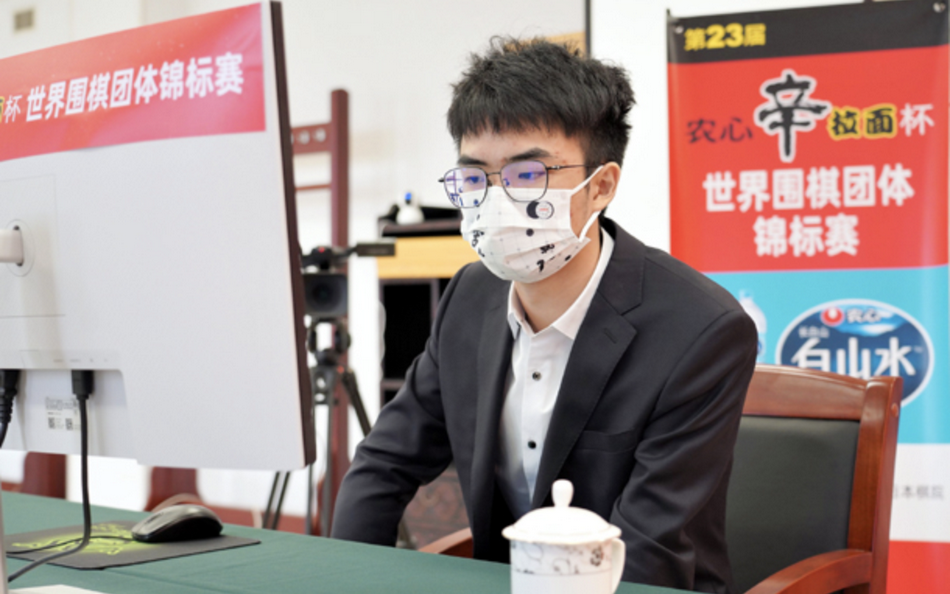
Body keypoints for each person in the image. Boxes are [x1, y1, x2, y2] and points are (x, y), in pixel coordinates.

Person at [332, 38, 757, 593]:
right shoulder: (469, 297)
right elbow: (384, 465)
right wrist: (347, 579)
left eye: (527, 174)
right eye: (475, 177)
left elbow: (651, 545)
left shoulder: (699, 329)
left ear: (600, 186)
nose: (495, 200)